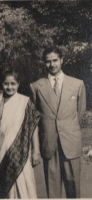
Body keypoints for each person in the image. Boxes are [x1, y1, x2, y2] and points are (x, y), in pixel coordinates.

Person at [30, 47, 86, 198]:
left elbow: (80, 112)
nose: (52, 64)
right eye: (48, 61)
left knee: (73, 186)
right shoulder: (36, 86)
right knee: (52, 188)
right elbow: (35, 117)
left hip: (70, 141)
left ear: (61, 60)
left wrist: (67, 127)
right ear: (44, 63)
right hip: (49, 142)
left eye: (55, 60)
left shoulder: (77, 84)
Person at [0, 69, 40, 198]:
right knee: (3, 188)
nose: (10, 87)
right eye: (6, 84)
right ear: (1, 84)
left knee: (24, 186)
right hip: (0, 153)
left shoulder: (26, 102)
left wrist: (36, 151)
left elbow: (34, 127)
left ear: (18, 84)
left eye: (13, 84)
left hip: (22, 154)